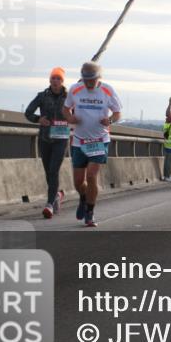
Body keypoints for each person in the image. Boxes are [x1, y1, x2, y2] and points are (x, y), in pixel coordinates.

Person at [63, 61, 122, 228]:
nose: (89, 83)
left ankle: (90, 212)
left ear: (99, 77)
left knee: (91, 176)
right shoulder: (75, 89)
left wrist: (109, 120)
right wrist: (70, 118)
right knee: (77, 181)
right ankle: (83, 197)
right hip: (79, 141)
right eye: (86, 80)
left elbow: (118, 113)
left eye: (92, 80)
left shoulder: (107, 90)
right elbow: (65, 109)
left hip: (99, 140)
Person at [25, 67, 70, 218]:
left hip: (61, 140)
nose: (55, 81)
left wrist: (73, 120)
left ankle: (49, 204)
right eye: (53, 78)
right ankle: (57, 194)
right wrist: (39, 119)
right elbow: (28, 112)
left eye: (58, 79)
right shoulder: (42, 96)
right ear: (50, 80)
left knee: (53, 170)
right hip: (45, 139)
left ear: (62, 81)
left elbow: (78, 114)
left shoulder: (70, 97)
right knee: (48, 172)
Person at [161, 115, 171, 181]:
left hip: (166, 144)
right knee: (169, 162)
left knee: (166, 161)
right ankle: (167, 176)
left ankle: (165, 175)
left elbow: (164, 133)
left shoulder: (165, 125)